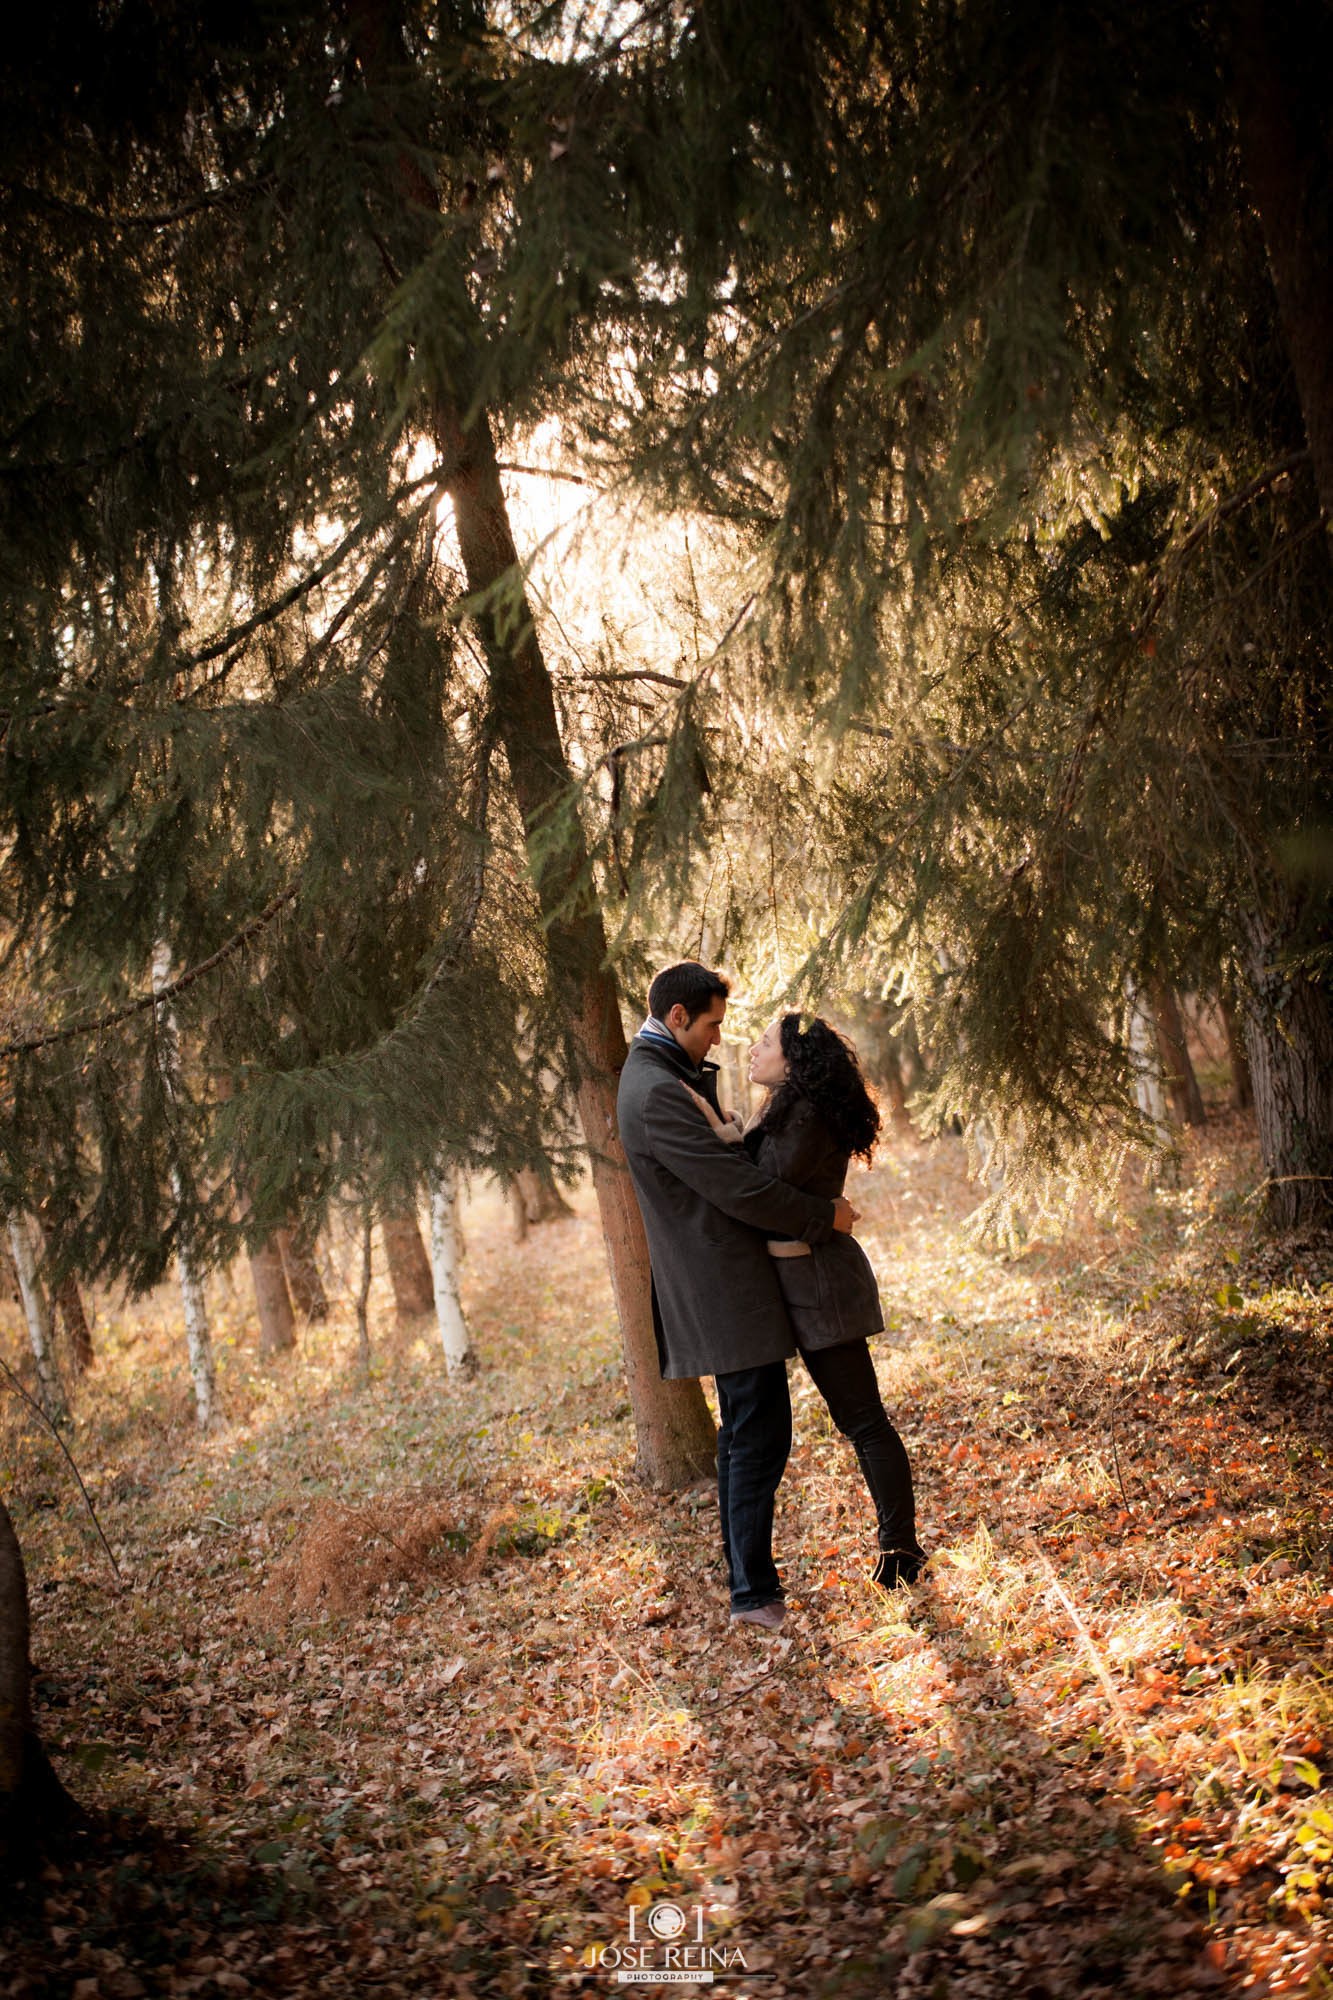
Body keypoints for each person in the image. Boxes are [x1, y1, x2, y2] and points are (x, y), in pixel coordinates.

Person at [616, 962, 858, 1632]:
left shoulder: (666, 1074)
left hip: (727, 1278)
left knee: (748, 1434)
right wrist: (824, 1217)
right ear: (676, 1017)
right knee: (757, 1435)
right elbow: (737, 1189)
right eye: (711, 1024)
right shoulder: (654, 1090)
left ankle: (748, 1583)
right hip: (718, 1285)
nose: (719, 1038)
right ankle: (751, 1593)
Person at [683, 1013, 926, 1588]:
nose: (753, 1049)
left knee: (863, 1420)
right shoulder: (785, 1107)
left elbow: (766, 1192)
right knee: (857, 1421)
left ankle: (901, 1550)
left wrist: (722, 1136)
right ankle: (899, 1547)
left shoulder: (807, 1113)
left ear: (793, 1060)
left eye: (765, 1042)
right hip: (798, 1284)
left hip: (821, 1287)